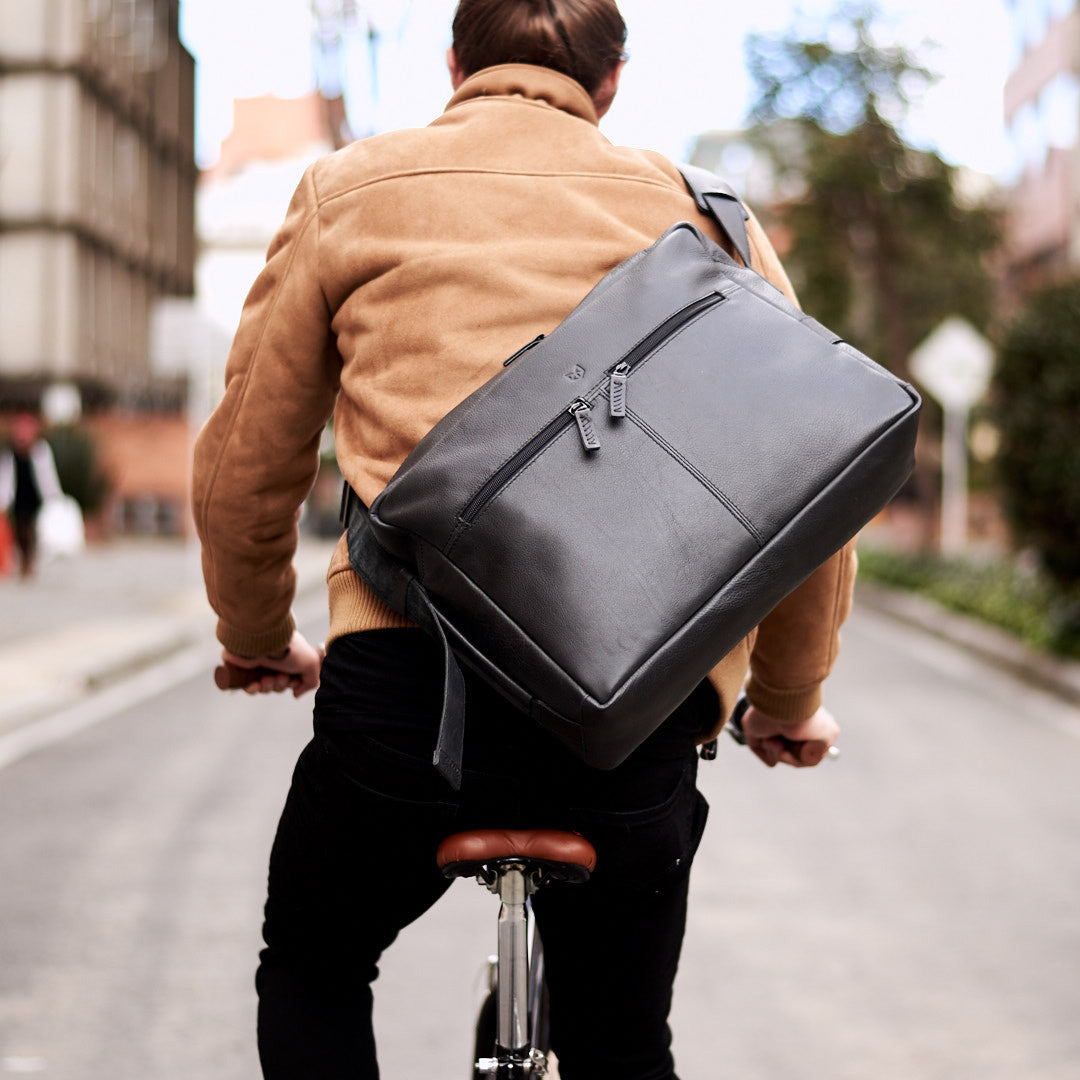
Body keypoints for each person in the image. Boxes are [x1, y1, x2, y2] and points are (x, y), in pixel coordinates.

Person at [192, 1, 856, 1076]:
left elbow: (246, 469)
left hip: (407, 704)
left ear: (456, 64)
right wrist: (786, 701)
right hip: (632, 715)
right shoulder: (712, 223)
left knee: (313, 966)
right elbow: (806, 494)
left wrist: (257, 634)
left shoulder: (349, 193)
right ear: (613, 81)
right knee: (622, 1038)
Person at [0, 412, 63, 579]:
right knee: (19, 530)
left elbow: (47, 476)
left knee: (31, 530)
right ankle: (23, 561)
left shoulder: (41, 452)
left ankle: (29, 562)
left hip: (34, 498)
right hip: (17, 498)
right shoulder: (10, 455)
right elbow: (5, 479)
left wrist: (54, 495)